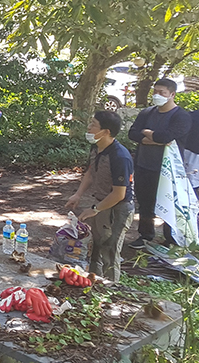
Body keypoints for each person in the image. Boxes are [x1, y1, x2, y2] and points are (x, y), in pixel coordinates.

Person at [64, 111, 134, 281]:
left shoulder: (120, 157)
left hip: (118, 209)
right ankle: (94, 282)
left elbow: (119, 194)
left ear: (106, 131)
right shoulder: (96, 147)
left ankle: (111, 288)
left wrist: (95, 209)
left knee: (110, 250)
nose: (89, 127)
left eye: (93, 124)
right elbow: (90, 172)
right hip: (101, 203)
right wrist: (78, 194)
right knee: (95, 248)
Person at [128, 78, 192, 248]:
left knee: (169, 204)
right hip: (144, 165)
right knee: (145, 203)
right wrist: (152, 138)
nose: (157, 95)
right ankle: (145, 235)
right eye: (155, 92)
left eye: (162, 93)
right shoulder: (147, 113)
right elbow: (132, 133)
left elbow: (166, 137)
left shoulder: (181, 116)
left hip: (168, 170)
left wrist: (148, 134)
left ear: (172, 94)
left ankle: (171, 239)